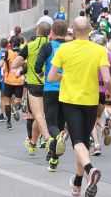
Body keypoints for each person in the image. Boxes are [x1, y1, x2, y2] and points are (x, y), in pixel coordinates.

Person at [48, 16, 111, 197]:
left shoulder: (64, 49)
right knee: (82, 142)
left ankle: (90, 170)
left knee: (77, 142)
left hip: (70, 100)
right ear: (90, 30)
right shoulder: (100, 50)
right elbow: (107, 79)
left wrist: (66, 77)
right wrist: (109, 92)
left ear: (73, 31)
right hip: (91, 101)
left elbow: (51, 77)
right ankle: (77, 183)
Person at [13, 22, 52, 154]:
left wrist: (25, 62)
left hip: (35, 84)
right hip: (52, 84)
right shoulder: (54, 45)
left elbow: (14, 64)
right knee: (42, 116)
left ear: (37, 31)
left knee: (38, 115)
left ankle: (48, 139)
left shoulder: (30, 46)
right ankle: (33, 142)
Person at [35, 20, 68, 171]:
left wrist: (43, 74)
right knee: (60, 125)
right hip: (67, 89)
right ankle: (54, 159)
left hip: (50, 89)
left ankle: (54, 151)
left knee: (51, 124)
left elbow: (37, 66)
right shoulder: (70, 47)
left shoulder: (47, 47)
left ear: (52, 32)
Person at [1, 36, 25, 130]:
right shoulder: (23, 52)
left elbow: (2, 63)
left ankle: (8, 122)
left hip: (8, 80)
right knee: (18, 101)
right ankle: (15, 108)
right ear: (20, 43)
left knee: (7, 101)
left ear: (10, 44)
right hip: (19, 80)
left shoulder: (7, 52)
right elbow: (25, 65)